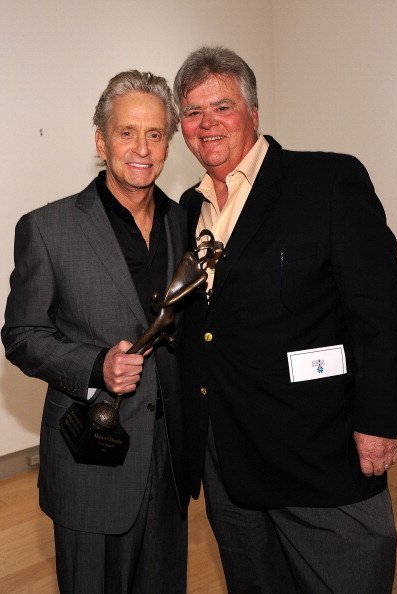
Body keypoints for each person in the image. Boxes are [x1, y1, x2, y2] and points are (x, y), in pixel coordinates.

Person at [174, 46, 397, 593]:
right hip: (226, 455)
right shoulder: (187, 210)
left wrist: (377, 422)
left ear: (253, 114)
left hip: (317, 451)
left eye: (222, 106)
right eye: (191, 111)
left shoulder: (327, 180)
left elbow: (379, 309)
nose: (206, 123)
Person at [2, 70, 189, 594]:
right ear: (101, 141)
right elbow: (21, 334)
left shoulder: (187, 224)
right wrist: (95, 365)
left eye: (155, 134)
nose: (142, 149)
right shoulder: (47, 228)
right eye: (127, 133)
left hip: (171, 459)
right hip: (91, 455)